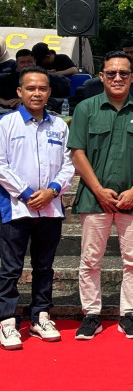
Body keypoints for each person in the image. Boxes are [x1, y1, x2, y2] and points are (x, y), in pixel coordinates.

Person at [69, 51, 133, 341]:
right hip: (94, 198)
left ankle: (129, 314)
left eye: (123, 73)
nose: (117, 78)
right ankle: (91, 314)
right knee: (90, 260)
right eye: (111, 73)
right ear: (101, 76)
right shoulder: (86, 109)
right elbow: (77, 153)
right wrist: (97, 189)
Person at [0, 67, 74, 350]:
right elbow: (1, 165)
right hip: (16, 208)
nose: (37, 93)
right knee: (11, 268)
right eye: (30, 88)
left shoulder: (59, 126)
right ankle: (7, 320)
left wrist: (53, 190)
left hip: (50, 208)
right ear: (20, 92)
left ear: (49, 93)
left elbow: (69, 164)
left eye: (42, 88)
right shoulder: (6, 124)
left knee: (44, 266)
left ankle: (41, 315)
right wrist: (28, 193)